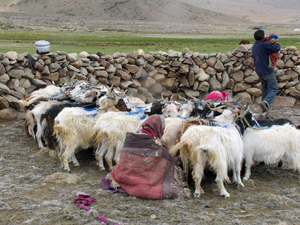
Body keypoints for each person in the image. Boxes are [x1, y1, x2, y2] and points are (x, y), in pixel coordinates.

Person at [103, 114, 187, 200]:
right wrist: (182, 155)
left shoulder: (133, 136)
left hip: (123, 176)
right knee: (169, 190)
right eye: (162, 129)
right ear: (157, 127)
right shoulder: (154, 143)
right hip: (143, 179)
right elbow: (171, 160)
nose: (163, 131)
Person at [252, 29, 281, 112]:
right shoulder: (264, 45)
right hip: (267, 70)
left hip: (259, 70)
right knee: (274, 88)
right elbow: (276, 48)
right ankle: (265, 103)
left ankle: (264, 108)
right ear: (263, 37)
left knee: (265, 88)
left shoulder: (254, 46)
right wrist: (276, 42)